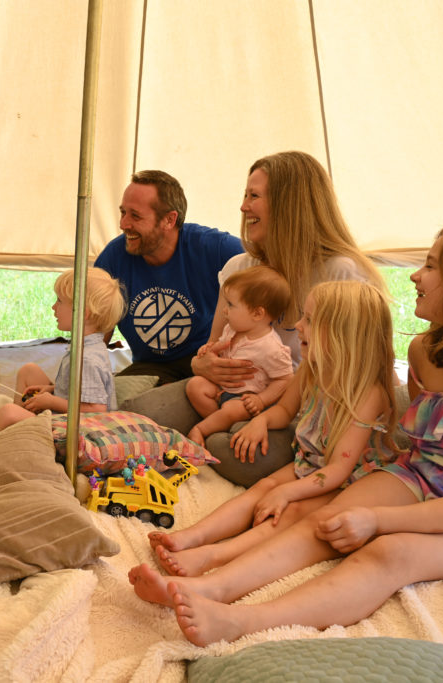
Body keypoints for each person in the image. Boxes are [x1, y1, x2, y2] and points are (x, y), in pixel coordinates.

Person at [128, 216, 443, 646]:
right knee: (328, 519)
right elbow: (420, 452)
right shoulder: (425, 351)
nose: (416, 275)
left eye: (433, 266)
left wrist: (377, 520)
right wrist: (362, 513)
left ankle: (244, 621)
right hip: (421, 472)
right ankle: (209, 587)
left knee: (390, 551)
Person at [154, 280, 398, 577]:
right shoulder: (312, 369)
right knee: (264, 487)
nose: (298, 325)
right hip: (310, 463)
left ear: (341, 333)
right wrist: (261, 421)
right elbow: (284, 410)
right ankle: (192, 536)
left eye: (309, 319)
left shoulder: (369, 394)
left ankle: (214, 557)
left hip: (351, 481)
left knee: (288, 511)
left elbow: (338, 470)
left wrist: (289, 493)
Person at [194, 151, 386, 487]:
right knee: (150, 411)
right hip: (227, 393)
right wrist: (203, 366)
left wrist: (266, 409)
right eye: (245, 195)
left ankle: (218, 433)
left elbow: (363, 372)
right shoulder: (239, 269)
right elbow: (213, 346)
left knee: (236, 451)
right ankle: (216, 428)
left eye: (254, 196)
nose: (243, 207)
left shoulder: (341, 273)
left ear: (289, 206)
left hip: (294, 407)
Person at [94, 170, 243, 386]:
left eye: (135, 216)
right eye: (122, 212)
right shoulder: (113, 258)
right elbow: (94, 334)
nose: (123, 224)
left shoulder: (216, 248)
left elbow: (268, 279)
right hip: (151, 367)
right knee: (118, 396)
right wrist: (71, 386)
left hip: (209, 361)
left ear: (169, 219)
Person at [0, 267, 126, 430]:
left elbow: (96, 411)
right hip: (68, 414)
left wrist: (51, 401)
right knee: (29, 371)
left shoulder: (87, 360)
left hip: (79, 432)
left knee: (7, 413)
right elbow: (80, 392)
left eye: (59, 301)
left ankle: (18, 431)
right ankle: (24, 421)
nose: (53, 307)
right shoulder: (86, 346)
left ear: (83, 313)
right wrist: (52, 390)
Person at [184, 265, 293, 445]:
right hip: (223, 388)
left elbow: (286, 380)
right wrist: (209, 349)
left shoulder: (271, 348)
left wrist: (261, 399)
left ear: (257, 313)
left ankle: (201, 429)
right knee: (194, 385)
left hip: (248, 397)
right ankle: (220, 424)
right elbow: (220, 348)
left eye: (231, 305)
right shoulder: (232, 328)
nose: (225, 310)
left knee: (232, 410)